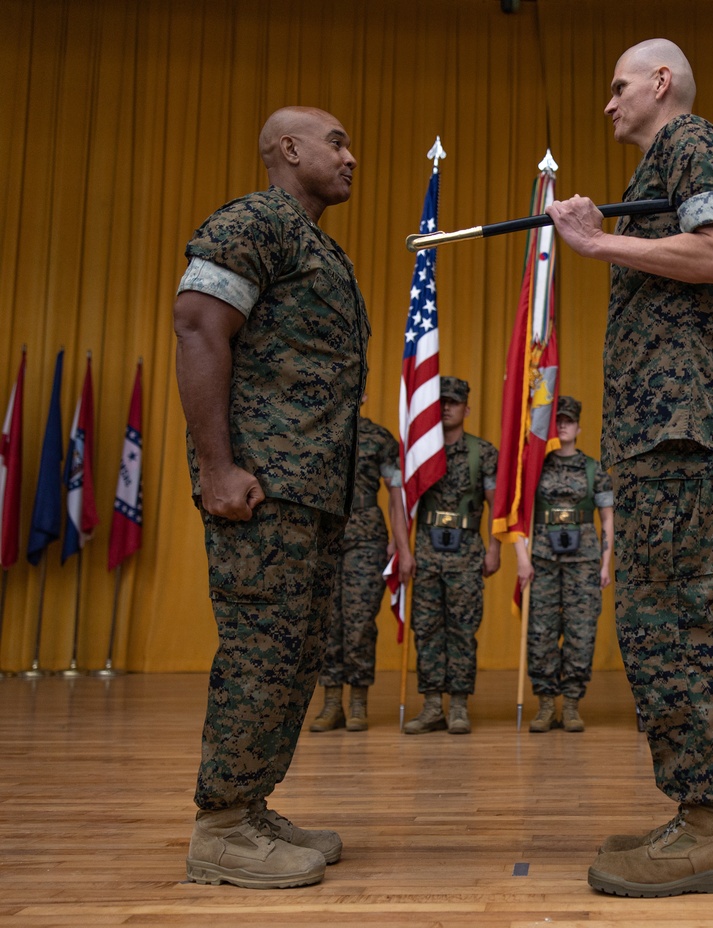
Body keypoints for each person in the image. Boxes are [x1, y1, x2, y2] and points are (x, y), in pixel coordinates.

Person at [545, 39, 713, 897]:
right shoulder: (659, 170)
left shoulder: (696, 143)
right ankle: (696, 809)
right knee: (650, 613)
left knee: (669, 614)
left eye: (618, 85)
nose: (608, 103)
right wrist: (618, 224)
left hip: (680, 421)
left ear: (660, 83)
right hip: (654, 428)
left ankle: (712, 825)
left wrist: (601, 245)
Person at [173, 106, 369, 890]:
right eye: (337, 142)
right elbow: (196, 327)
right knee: (261, 652)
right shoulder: (254, 221)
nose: (351, 157)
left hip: (310, 492)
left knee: (293, 656)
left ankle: (249, 805)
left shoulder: (311, 240)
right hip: (261, 486)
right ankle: (220, 825)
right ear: (289, 149)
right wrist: (218, 469)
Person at [309, 397, 413, 733]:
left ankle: (357, 702)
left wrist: (400, 542)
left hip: (367, 540)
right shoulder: (317, 435)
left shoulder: (379, 439)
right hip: (323, 538)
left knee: (359, 622)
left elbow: (397, 496)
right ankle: (330, 703)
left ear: (365, 394)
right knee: (326, 623)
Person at [404, 376, 501, 735]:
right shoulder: (421, 451)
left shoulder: (483, 452)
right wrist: (403, 549)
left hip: (466, 555)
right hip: (427, 553)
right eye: (442, 401)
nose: (447, 407)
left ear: (467, 408)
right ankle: (431, 705)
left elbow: (496, 505)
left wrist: (494, 548)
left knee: (462, 629)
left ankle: (458, 705)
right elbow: (404, 503)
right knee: (427, 630)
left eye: (454, 402)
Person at [512, 395, 614, 733]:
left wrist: (604, 563)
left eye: (569, 420)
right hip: (542, 560)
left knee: (581, 633)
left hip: (583, 562)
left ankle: (571, 704)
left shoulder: (593, 468)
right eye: (558, 421)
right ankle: (545, 704)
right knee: (540, 632)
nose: (563, 426)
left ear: (579, 427)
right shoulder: (534, 467)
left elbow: (607, 518)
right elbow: (520, 515)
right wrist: (523, 559)